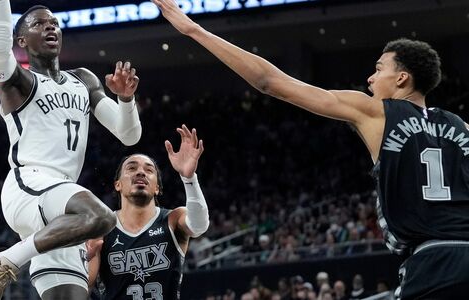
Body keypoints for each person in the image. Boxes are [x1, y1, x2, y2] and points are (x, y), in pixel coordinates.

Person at [151, 0, 469, 298]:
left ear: (402, 78)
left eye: (379, 69)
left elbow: (269, 81)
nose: (370, 78)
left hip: (431, 262)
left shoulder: (376, 111)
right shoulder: (462, 127)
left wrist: (194, 29)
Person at [0, 2, 143, 300]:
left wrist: (126, 101)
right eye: (38, 24)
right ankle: (2, 262)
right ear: (21, 41)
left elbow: (128, 135)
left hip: (63, 208)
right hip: (30, 185)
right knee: (102, 217)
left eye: (53, 22)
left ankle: (10, 259)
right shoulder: (19, 82)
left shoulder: (84, 80)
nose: (50, 26)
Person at [86, 125, 210, 299]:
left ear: (157, 188)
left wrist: (189, 178)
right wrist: (81, 265)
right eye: (131, 168)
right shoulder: (101, 228)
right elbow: (85, 289)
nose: (141, 172)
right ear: (118, 184)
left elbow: (199, 226)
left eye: (149, 170)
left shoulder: (173, 219)